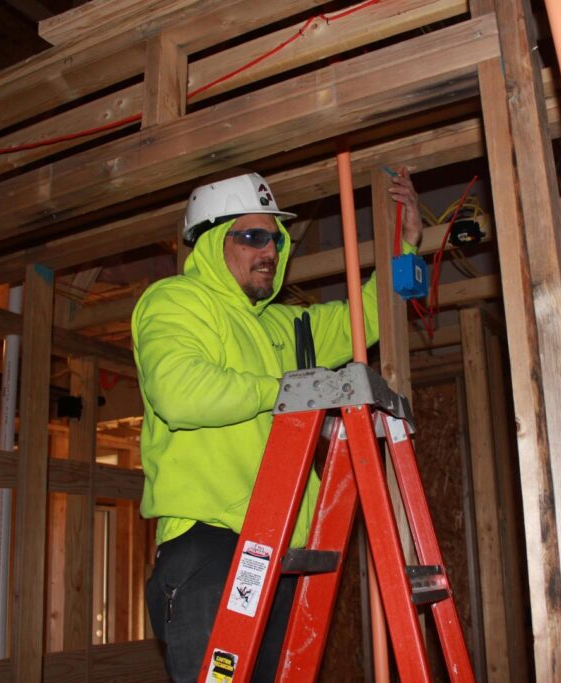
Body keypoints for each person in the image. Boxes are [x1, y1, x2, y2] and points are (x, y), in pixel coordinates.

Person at [132, 169, 422, 682]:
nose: (270, 248)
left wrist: (405, 241)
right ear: (211, 242)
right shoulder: (177, 301)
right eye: (252, 236)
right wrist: (286, 391)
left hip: (278, 546)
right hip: (210, 544)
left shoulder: (282, 327)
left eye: (276, 237)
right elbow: (180, 392)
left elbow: (369, 317)